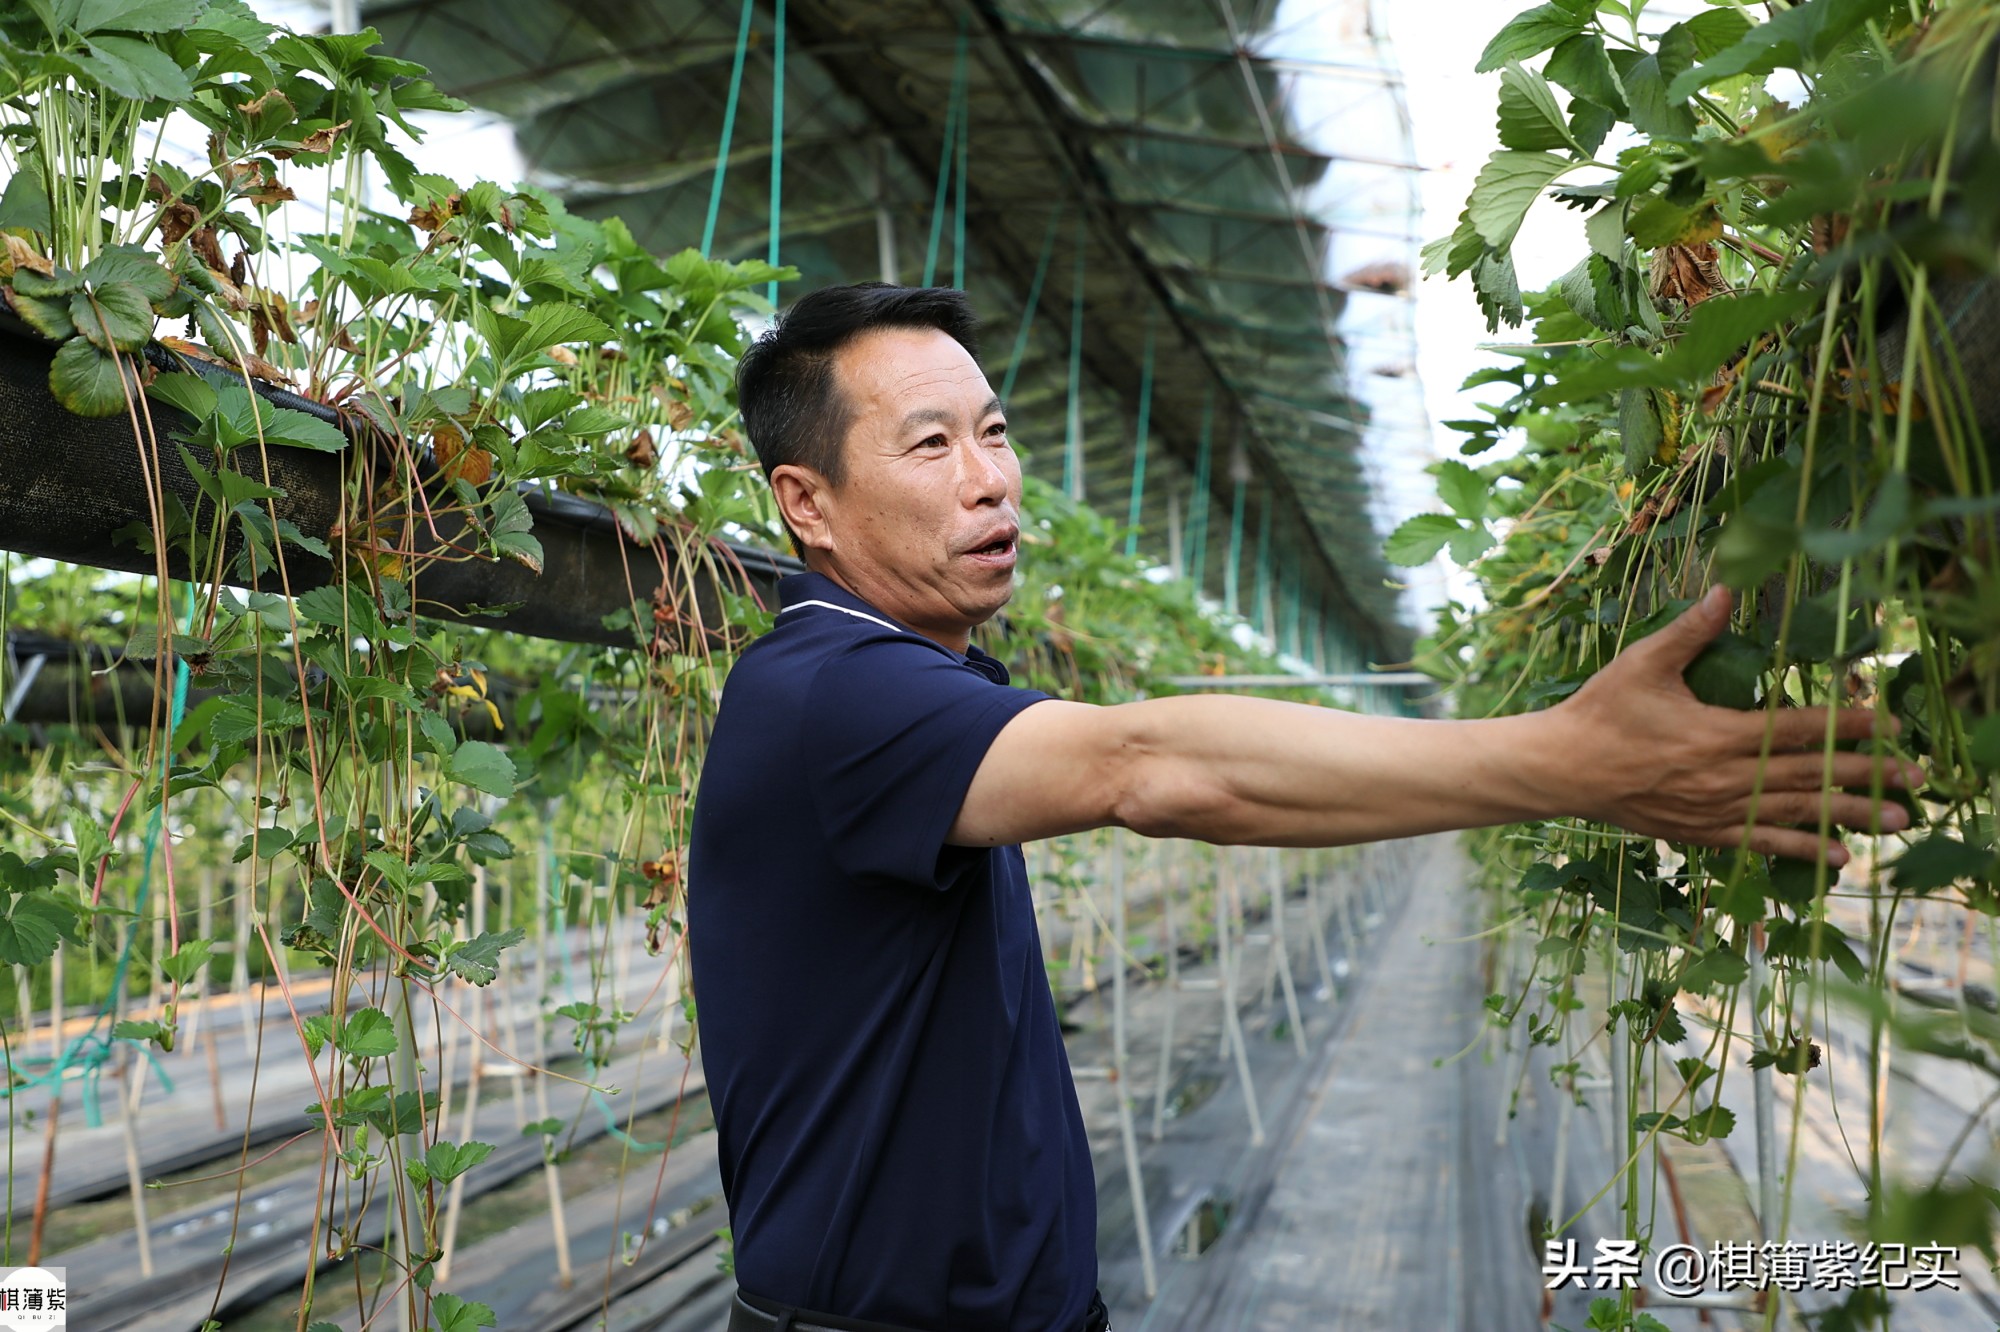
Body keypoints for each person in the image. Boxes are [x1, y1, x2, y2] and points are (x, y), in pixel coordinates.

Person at [685, 284, 1916, 1332]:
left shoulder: (910, 683)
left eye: (993, 432)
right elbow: (1153, 767)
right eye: (929, 445)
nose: (991, 479)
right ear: (807, 504)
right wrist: (1572, 762)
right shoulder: (828, 696)